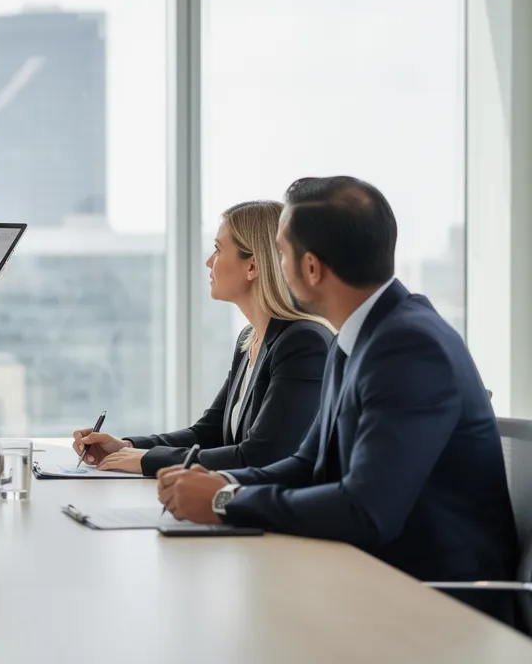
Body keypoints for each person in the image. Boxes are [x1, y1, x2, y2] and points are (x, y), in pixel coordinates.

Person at [157, 176, 519, 625]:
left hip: (440, 608)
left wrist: (225, 501)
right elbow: (308, 465)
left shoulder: (409, 347)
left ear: (311, 268)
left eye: (281, 253)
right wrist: (216, 481)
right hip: (375, 578)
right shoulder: (362, 335)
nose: (277, 266)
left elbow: (366, 510)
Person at [72, 200, 333, 477]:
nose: (209, 261)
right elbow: (209, 433)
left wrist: (148, 459)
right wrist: (127, 447)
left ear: (253, 266)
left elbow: (261, 456)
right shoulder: (250, 339)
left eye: (218, 249)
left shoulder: (303, 343)